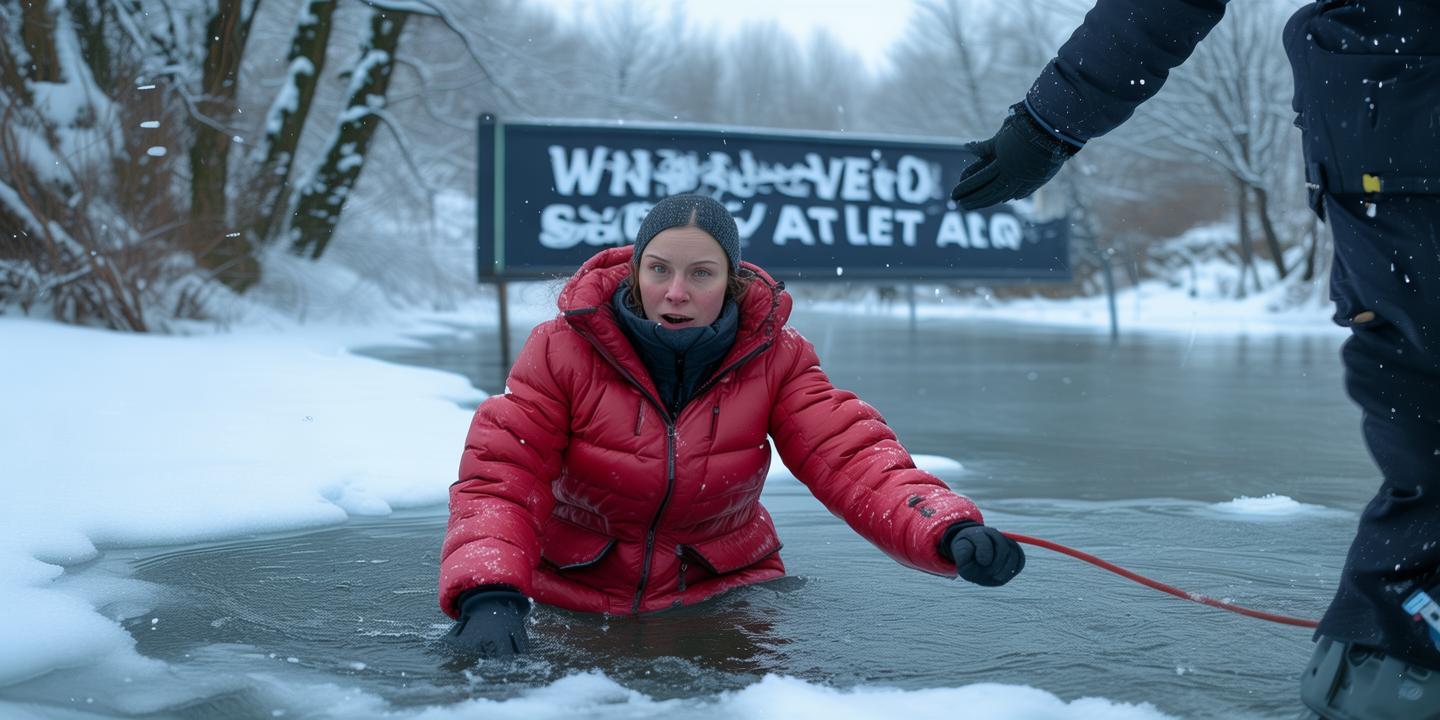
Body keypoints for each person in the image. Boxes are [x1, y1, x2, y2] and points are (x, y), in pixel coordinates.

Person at [947, 2, 1440, 717]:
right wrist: (1046, 125)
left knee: (1422, 408)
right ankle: (1393, 653)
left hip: (1391, 118)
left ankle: (1392, 650)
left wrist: (1048, 123)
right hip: (1397, 120)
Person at [437, 193, 1025, 658]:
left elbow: (855, 458)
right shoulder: (559, 350)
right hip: (571, 595)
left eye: (701, 273)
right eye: (660, 269)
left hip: (725, 593)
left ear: (731, 280)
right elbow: (501, 478)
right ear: (637, 269)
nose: (676, 292)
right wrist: (490, 591)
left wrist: (943, 527)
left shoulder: (778, 357)